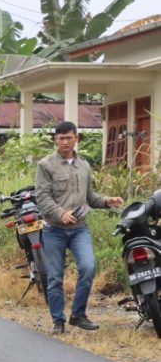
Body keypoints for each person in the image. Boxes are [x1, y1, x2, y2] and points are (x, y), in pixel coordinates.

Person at [34, 121, 122, 334]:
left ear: (76, 138)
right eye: (61, 138)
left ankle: (78, 315)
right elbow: (42, 196)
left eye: (69, 137)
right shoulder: (45, 165)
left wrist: (106, 201)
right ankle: (58, 320)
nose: (65, 142)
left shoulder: (84, 165)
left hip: (79, 228)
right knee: (55, 277)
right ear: (55, 139)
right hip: (54, 229)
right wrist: (60, 213)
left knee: (88, 267)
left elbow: (89, 196)